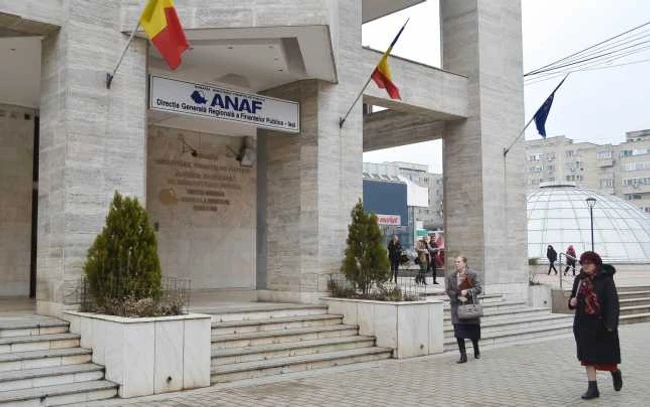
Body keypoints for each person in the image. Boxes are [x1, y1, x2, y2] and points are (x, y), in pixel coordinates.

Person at [568, 251, 622, 400]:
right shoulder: (579, 279)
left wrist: (611, 324)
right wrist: (571, 302)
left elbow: (613, 303)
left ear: (596, 264)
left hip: (602, 324)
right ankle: (593, 388)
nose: (585, 266)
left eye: (588, 263)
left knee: (606, 358)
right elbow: (573, 298)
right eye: (583, 263)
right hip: (584, 324)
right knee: (587, 358)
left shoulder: (606, 279)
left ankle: (615, 372)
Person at [446, 256, 482, 363]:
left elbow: (478, 288)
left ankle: (476, 348)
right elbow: (448, 290)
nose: (456, 264)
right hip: (457, 307)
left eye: (459, 262)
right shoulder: (451, 276)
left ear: (464, 263)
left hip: (470, 307)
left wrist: (468, 291)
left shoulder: (472, 274)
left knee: (473, 332)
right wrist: (456, 295)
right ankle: (463, 355)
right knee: (459, 332)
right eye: (455, 262)